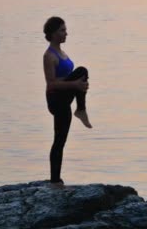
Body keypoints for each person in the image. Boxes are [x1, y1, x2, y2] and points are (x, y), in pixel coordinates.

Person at [43, 16, 92, 189]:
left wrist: (79, 86)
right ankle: (54, 180)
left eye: (65, 30)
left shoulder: (63, 53)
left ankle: (56, 179)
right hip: (56, 99)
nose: (66, 33)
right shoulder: (49, 56)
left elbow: (66, 78)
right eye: (62, 30)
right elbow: (51, 83)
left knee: (61, 139)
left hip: (64, 98)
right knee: (59, 140)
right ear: (53, 34)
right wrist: (76, 85)